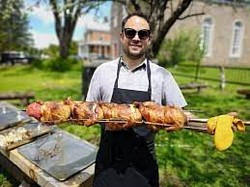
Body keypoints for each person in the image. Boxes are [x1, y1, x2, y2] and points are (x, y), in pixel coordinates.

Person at [86, 11, 187, 187]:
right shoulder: (103, 72)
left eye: (143, 33)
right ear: (121, 36)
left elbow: (182, 115)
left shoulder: (162, 76)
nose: (136, 38)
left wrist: (211, 124)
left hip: (143, 167)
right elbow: (87, 111)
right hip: (108, 163)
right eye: (130, 32)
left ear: (149, 38)